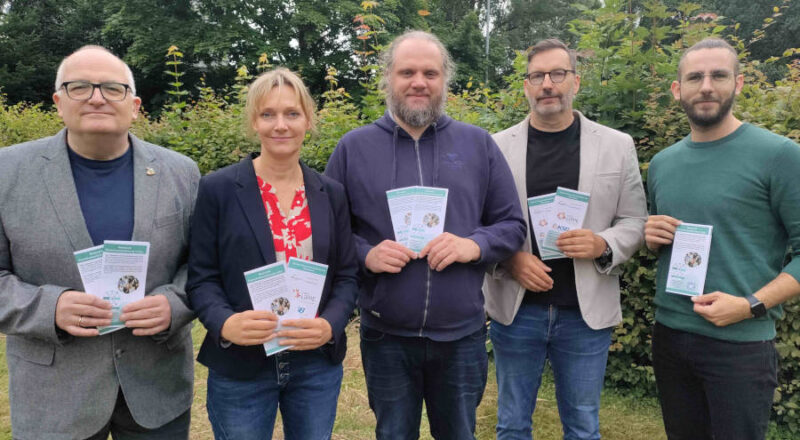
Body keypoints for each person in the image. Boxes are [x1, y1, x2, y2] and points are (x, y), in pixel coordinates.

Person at [325, 30, 527, 439]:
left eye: (430, 73)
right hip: (386, 335)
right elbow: (330, 232)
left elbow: (512, 225)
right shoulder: (353, 148)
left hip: (462, 336)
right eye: (407, 72)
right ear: (388, 78)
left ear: (444, 80)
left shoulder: (478, 145)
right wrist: (365, 254)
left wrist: (473, 245)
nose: (419, 81)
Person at [0, 45, 199, 439]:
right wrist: (48, 307)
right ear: (58, 102)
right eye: (80, 87)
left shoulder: (182, 173)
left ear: (135, 105)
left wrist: (174, 304)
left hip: (156, 389)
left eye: (113, 88)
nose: (96, 97)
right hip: (54, 396)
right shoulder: (7, 172)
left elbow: (204, 266)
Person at [483, 38, 647, 440]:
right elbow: (479, 222)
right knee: (512, 424)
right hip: (517, 309)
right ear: (525, 85)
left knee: (582, 426)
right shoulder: (495, 147)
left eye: (558, 74)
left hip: (584, 312)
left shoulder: (616, 145)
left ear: (576, 80)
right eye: (537, 76)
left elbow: (635, 220)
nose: (547, 84)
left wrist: (603, 244)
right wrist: (508, 259)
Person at [187, 67, 359, 440]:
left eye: (291, 114)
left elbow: (347, 274)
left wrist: (330, 324)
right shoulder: (218, 190)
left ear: (308, 121)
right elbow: (201, 277)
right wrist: (225, 323)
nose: (280, 125)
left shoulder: (331, 193)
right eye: (268, 114)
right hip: (241, 365)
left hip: (314, 362)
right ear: (254, 122)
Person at [645, 37, 800, 440]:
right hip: (671, 335)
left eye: (719, 75)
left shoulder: (779, 155)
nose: (707, 86)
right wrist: (652, 236)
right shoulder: (663, 164)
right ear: (678, 89)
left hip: (740, 344)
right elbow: (669, 244)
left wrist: (751, 305)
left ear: (739, 83)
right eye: (695, 77)